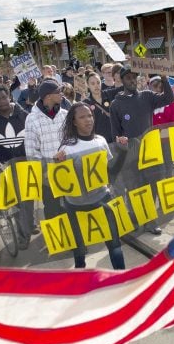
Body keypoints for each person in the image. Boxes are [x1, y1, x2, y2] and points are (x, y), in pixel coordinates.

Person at [53, 103, 126, 270]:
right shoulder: (66, 148)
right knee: (79, 254)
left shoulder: (100, 141)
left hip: (102, 200)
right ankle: (81, 286)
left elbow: (111, 173)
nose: (88, 120)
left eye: (90, 116)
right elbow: (61, 183)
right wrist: (57, 164)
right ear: (74, 122)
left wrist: (123, 151)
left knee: (115, 246)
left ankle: (122, 280)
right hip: (76, 207)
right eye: (82, 117)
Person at [110, 65, 174, 235]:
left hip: (150, 150)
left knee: (152, 186)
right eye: (128, 78)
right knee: (135, 188)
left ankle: (151, 222)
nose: (132, 80)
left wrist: (164, 78)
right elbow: (115, 133)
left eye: (134, 77)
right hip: (130, 154)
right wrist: (120, 140)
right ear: (121, 80)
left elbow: (168, 98)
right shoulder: (116, 104)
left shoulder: (147, 96)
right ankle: (140, 220)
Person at [0, 84, 35, 240]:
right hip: (5, 168)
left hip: (26, 165)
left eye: (4, 97)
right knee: (17, 203)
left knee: (29, 198)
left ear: (9, 97)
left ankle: (30, 225)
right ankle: (23, 235)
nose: (2, 101)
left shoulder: (24, 115)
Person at [24, 79, 71, 222]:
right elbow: (31, 151)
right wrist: (45, 171)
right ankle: (58, 242)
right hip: (47, 176)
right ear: (48, 96)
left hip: (68, 171)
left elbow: (72, 139)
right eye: (59, 92)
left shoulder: (64, 114)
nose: (62, 94)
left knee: (71, 207)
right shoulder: (32, 119)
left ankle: (75, 240)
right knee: (52, 210)